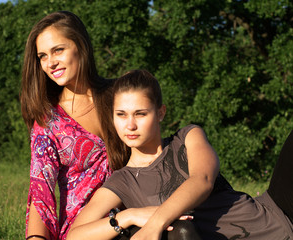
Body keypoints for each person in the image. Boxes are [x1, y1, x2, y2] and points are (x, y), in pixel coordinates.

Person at [67, 69, 293, 240]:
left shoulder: (186, 138)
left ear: (160, 113)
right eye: (121, 115)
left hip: (277, 213)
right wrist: (129, 216)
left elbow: (202, 180)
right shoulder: (122, 182)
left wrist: (156, 221)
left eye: (140, 113)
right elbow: (74, 235)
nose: (130, 125)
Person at [20, 11, 129, 240]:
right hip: (84, 231)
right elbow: (42, 191)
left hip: (138, 215)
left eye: (58, 50)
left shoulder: (119, 95)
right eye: (42, 56)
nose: (50, 62)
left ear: (81, 46)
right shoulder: (48, 121)